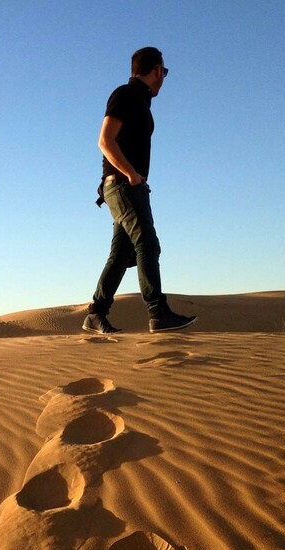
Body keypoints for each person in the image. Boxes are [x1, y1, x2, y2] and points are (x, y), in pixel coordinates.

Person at [83, 47, 197, 335]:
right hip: (122, 185)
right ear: (157, 70)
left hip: (128, 186)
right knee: (147, 243)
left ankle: (96, 313)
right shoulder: (125, 94)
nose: (164, 79)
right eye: (165, 72)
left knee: (121, 253)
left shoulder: (140, 102)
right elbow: (104, 141)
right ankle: (158, 313)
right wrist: (132, 175)